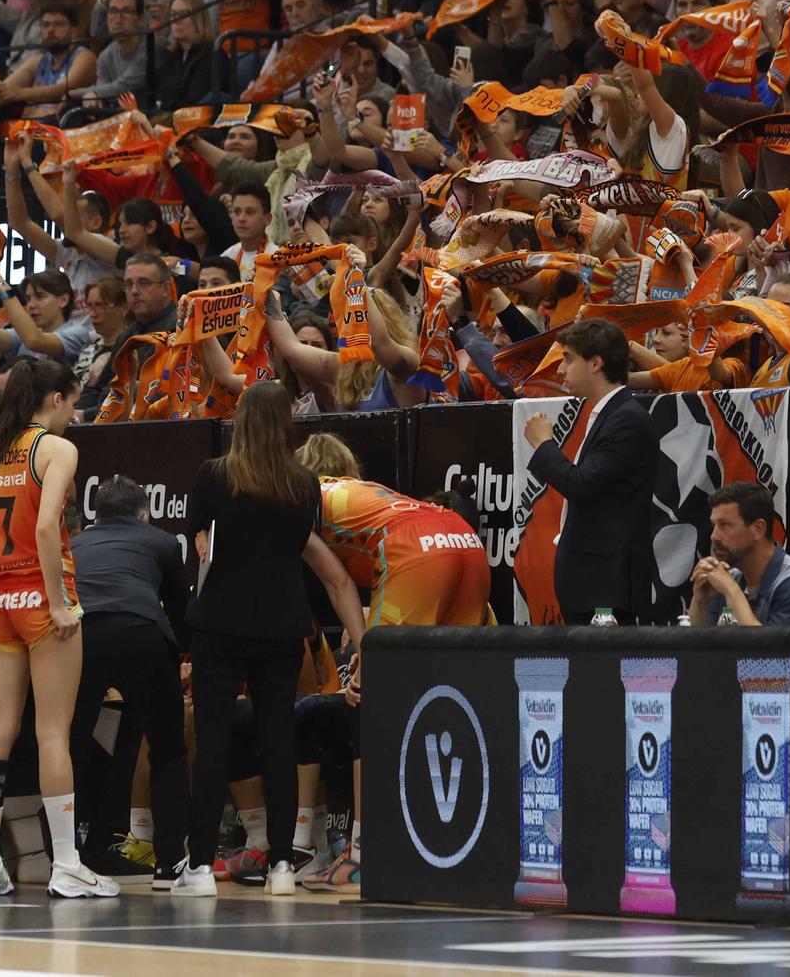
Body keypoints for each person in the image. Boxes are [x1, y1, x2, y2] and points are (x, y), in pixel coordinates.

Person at [177, 383, 366, 897]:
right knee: (278, 739)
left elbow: (201, 546)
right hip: (284, 626)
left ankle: (198, 869)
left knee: (213, 740)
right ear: (286, 423)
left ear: (240, 420)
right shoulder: (304, 484)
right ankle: (282, 865)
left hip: (220, 622)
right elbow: (310, 556)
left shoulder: (214, 475)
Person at [0, 359, 116, 898]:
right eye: (71, 401)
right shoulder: (55, 448)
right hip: (42, 601)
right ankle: (66, 864)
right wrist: (61, 601)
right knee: (52, 734)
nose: (73, 413)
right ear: (52, 400)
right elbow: (48, 527)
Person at [65, 475, 191, 890]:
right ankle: (170, 863)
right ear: (144, 513)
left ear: (95, 515)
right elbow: (179, 612)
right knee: (168, 748)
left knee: (69, 745)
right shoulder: (163, 542)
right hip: (142, 632)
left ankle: (66, 856)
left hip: (84, 635)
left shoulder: (77, 544)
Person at [522, 319, 656, 624]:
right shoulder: (608, 414)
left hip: (607, 588)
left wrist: (544, 444)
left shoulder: (627, 419)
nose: (560, 370)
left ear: (596, 363)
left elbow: (580, 485)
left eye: (568, 359)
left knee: (602, 671)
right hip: (592, 582)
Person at [296, 432, 491, 627]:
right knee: (464, 654)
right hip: (464, 536)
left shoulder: (304, 497)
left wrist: (366, 649)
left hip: (414, 546)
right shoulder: (371, 491)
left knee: (387, 655)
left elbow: (339, 583)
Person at [687, 481, 790, 625]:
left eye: (724, 525)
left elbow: (769, 647)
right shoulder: (729, 579)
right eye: (714, 526)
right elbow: (701, 646)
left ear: (758, 529)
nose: (714, 536)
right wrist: (700, 601)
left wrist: (732, 591)